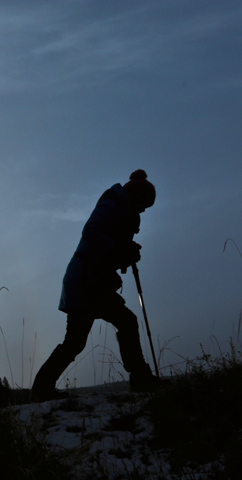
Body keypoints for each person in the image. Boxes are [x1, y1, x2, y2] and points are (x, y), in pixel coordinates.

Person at [31, 169, 161, 398]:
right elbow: (90, 232)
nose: (143, 210)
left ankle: (41, 388)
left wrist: (123, 254)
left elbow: (106, 249)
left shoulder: (120, 208)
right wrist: (121, 249)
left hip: (90, 280)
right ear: (137, 197)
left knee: (77, 341)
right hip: (86, 281)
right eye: (144, 205)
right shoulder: (112, 206)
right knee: (123, 323)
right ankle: (141, 379)